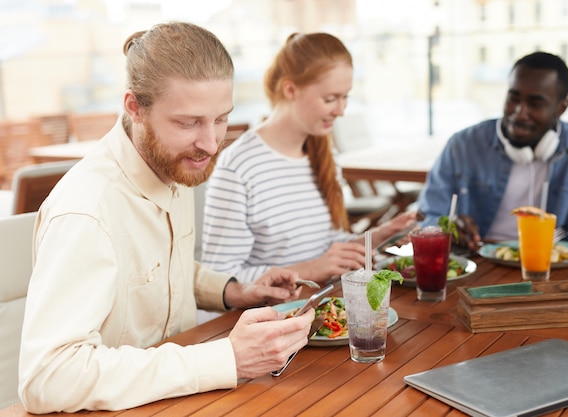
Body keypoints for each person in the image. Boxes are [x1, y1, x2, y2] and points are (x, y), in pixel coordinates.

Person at [18, 22, 315, 414]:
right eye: (188, 122)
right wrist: (226, 359)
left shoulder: (171, 165)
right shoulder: (88, 212)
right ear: (134, 108)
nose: (210, 144)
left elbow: (154, 272)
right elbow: (47, 378)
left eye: (221, 119)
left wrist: (232, 290)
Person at [200, 32, 416, 285]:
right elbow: (220, 280)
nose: (341, 110)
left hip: (325, 309)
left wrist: (380, 235)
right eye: (330, 98)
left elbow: (327, 251)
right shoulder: (239, 168)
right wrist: (310, 270)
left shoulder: (325, 156)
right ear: (290, 89)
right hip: (269, 317)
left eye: (345, 97)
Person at [418, 51, 568, 251]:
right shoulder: (463, 144)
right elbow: (427, 215)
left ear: (561, 107)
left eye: (535, 104)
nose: (519, 113)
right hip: (478, 261)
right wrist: (447, 226)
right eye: (513, 99)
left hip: (555, 267)